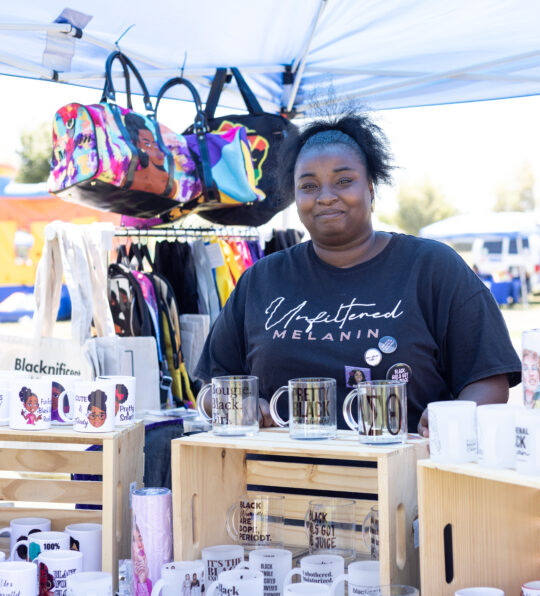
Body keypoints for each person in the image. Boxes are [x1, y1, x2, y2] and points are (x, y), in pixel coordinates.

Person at [195, 112, 520, 435]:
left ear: (372, 188)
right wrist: (237, 404)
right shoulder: (261, 280)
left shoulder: (432, 268)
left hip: (403, 479)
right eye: (309, 186)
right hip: (279, 481)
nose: (325, 196)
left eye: (344, 181)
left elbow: (489, 379)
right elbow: (211, 387)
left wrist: (453, 420)